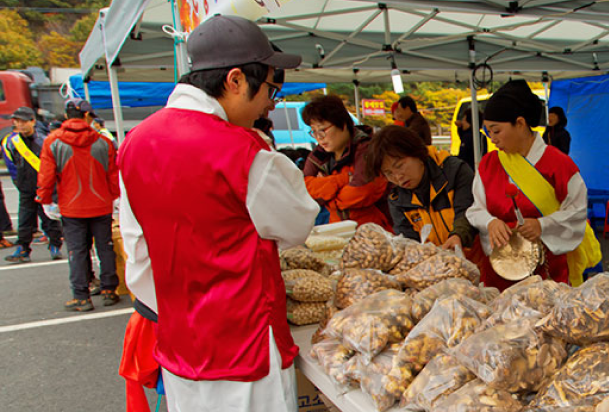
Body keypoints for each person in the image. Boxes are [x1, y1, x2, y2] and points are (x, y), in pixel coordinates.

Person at [118, 14, 318, 412]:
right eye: (271, 90)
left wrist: (186, 312)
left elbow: (138, 254)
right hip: (246, 348)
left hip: (181, 347)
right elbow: (298, 223)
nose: (269, 104)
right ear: (236, 80)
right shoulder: (243, 151)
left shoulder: (134, 143)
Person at [466, 80, 601, 290]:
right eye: (488, 131)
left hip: (548, 269)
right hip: (500, 266)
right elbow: (476, 209)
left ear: (520, 124)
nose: (492, 139)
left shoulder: (559, 164)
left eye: (496, 131)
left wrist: (542, 225)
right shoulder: (488, 164)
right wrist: (490, 222)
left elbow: (577, 212)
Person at [36, 99, 121, 312]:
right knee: (105, 247)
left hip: (71, 206)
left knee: (77, 251)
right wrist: (116, 197)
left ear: (66, 116)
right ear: (87, 116)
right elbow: (113, 174)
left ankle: (82, 296)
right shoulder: (103, 142)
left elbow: (46, 176)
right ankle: (109, 289)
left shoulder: (53, 141)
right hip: (101, 204)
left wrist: (46, 201)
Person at [366, 125, 476, 249]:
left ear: (417, 154)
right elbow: (407, 240)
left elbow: (468, 212)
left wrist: (458, 236)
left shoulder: (455, 172)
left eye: (399, 166)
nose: (398, 177)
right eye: (389, 173)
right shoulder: (397, 198)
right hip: (435, 260)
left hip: (473, 255)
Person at [301, 94, 391, 228]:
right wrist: (343, 180)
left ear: (342, 124)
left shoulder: (367, 149)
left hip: (373, 230)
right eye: (313, 131)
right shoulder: (318, 156)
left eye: (322, 130)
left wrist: (327, 194)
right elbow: (303, 189)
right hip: (338, 230)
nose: (319, 137)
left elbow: (362, 191)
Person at [2, 106, 64, 261]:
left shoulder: (43, 141)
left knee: (49, 218)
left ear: (33, 121)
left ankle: (55, 244)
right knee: (25, 220)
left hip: (44, 186)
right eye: (17, 121)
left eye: (23, 121)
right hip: (25, 187)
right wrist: (19, 183)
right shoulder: (12, 142)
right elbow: (12, 163)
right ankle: (22, 248)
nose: (20, 124)